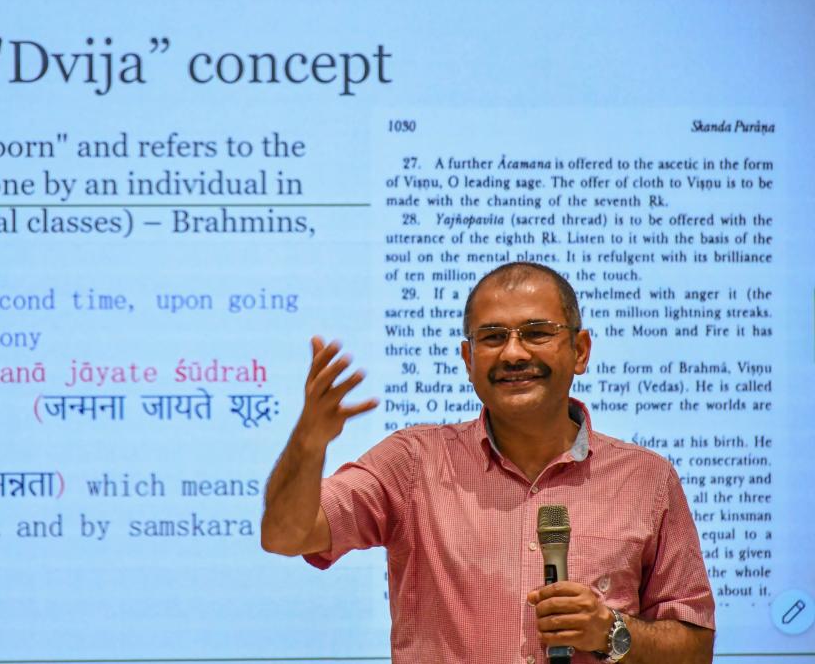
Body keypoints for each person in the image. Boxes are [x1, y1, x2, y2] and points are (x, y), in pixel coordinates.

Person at [261, 261, 715, 663]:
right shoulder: (413, 464)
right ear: (468, 359)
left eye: (536, 333)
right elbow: (285, 535)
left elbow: (696, 650)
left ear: (580, 350)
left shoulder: (647, 478)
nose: (514, 353)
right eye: (493, 338)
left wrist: (610, 633)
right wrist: (308, 443)